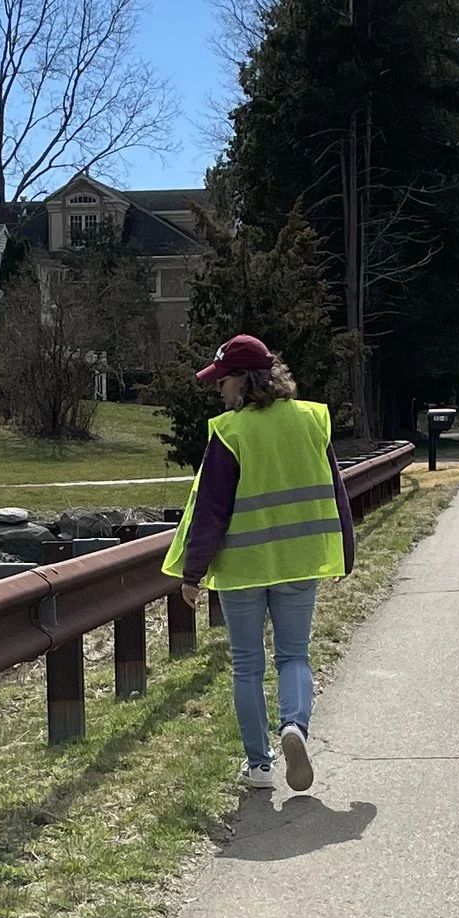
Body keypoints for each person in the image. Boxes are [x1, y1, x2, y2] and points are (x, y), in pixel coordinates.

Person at [162, 329, 356, 793]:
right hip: (299, 562)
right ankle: (294, 727)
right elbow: (336, 491)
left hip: (243, 569)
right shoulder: (312, 421)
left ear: (245, 381)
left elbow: (212, 508)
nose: (218, 388)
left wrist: (193, 572)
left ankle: (260, 767)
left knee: (248, 664)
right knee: (294, 656)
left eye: (223, 380)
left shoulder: (229, 433)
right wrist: (345, 552)